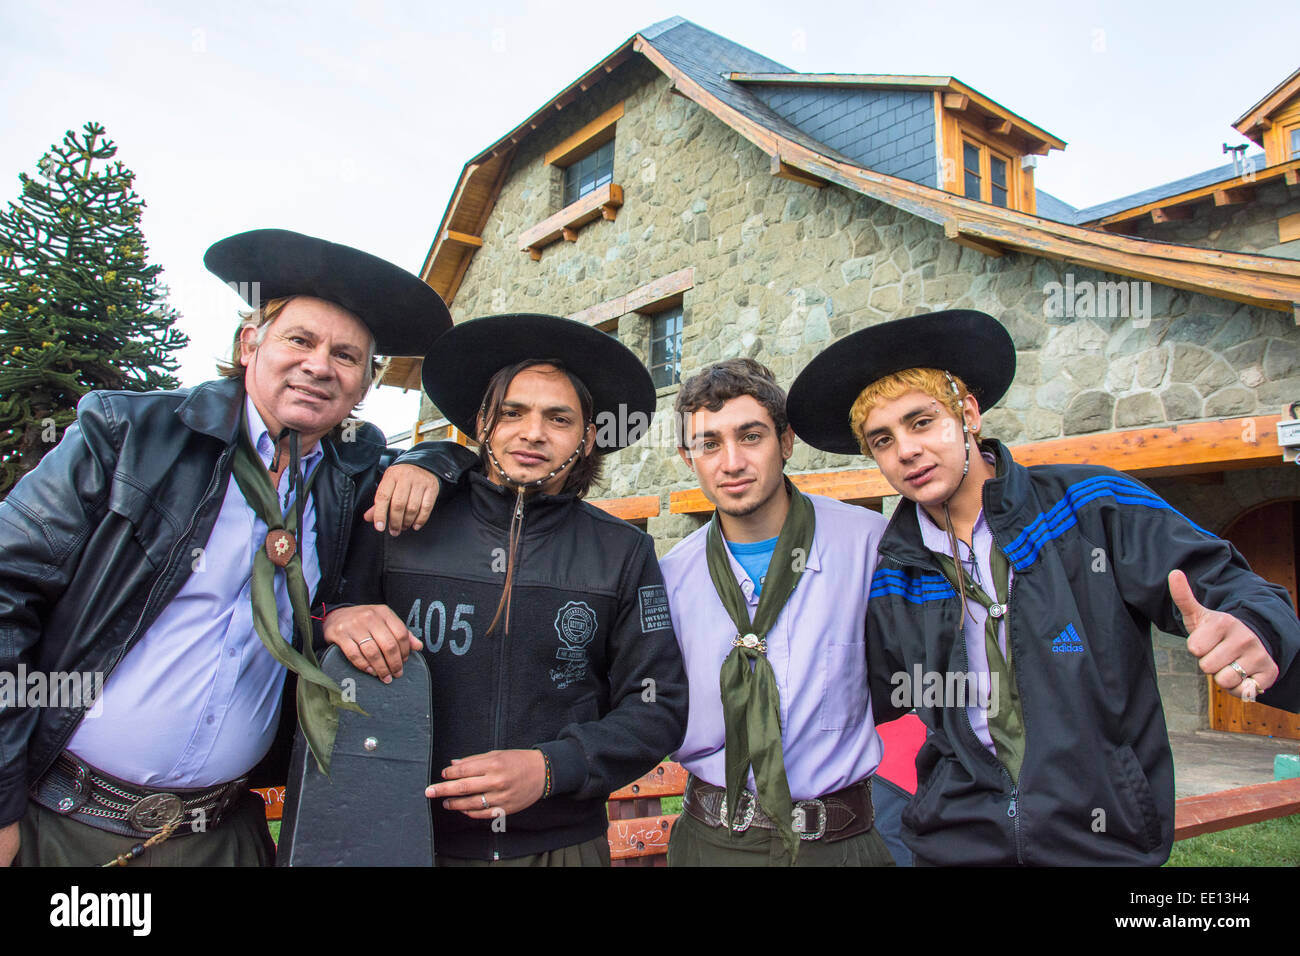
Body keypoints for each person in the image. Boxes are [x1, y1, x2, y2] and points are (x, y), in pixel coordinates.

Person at [0, 228, 475, 866]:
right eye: (299, 340)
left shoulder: (347, 479)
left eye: (345, 355)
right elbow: (7, 591)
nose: (317, 365)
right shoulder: (125, 434)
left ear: (365, 385)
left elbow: (454, 459)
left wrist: (431, 460)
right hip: (59, 821)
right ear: (250, 344)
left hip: (222, 835)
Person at [786, 308, 1300, 865]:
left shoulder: (1089, 504)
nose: (905, 450)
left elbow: (1228, 587)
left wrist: (1255, 628)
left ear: (968, 415)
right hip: (955, 843)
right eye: (882, 439)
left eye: (921, 421)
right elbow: (861, 693)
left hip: (1101, 841)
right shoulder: (896, 569)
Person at [326, 313, 688, 866]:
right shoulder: (397, 520)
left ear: (588, 438)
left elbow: (657, 704)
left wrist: (551, 768)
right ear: (483, 424)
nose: (533, 432)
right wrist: (336, 614)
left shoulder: (622, 552)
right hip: (402, 840)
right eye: (512, 413)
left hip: (560, 845)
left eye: (559, 418)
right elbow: (316, 618)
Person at [658, 358, 895, 866]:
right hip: (711, 842)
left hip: (837, 843)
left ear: (786, 442)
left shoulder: (867, 546)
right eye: (709, 444)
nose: (732, 462)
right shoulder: (670, 577)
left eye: (751, 436)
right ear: (687, 457)